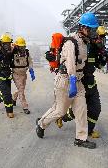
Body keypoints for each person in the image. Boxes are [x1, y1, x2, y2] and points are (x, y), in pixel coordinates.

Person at [36, 12, 99, 149]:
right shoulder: (71, 43)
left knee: (82, 109)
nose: (93, 32)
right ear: (82, 28)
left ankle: (80, 138)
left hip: (78, 80)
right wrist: (71, 82)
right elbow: (70, 63)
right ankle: (41, 123)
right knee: (60, 111)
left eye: (93, 29)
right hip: (66, 80)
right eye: (91, 29)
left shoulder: (84, 43)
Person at [56, 26, 108, 138]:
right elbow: (66, 59)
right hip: (79, 81)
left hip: (90, 81)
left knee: (96, 108)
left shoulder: (96, 49)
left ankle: (89, 130)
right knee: (78, 110)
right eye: (98, 37)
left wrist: (104, 58)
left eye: (102, 38)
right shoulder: (81, 45)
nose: (100, 40)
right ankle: (61, 117)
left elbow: (98, 65)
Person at [11, 37, 35, 114]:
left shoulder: (26, 53)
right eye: (20, 46)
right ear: (17, 46)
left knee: (21, 89)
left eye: (23, 46)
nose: (22, 48)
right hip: (16, 74)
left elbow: (30, 61)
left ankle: (13, 99)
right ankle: (25, 107)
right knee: (21, 89)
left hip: (24, 74)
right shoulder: (13, 52)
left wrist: (31, 70)